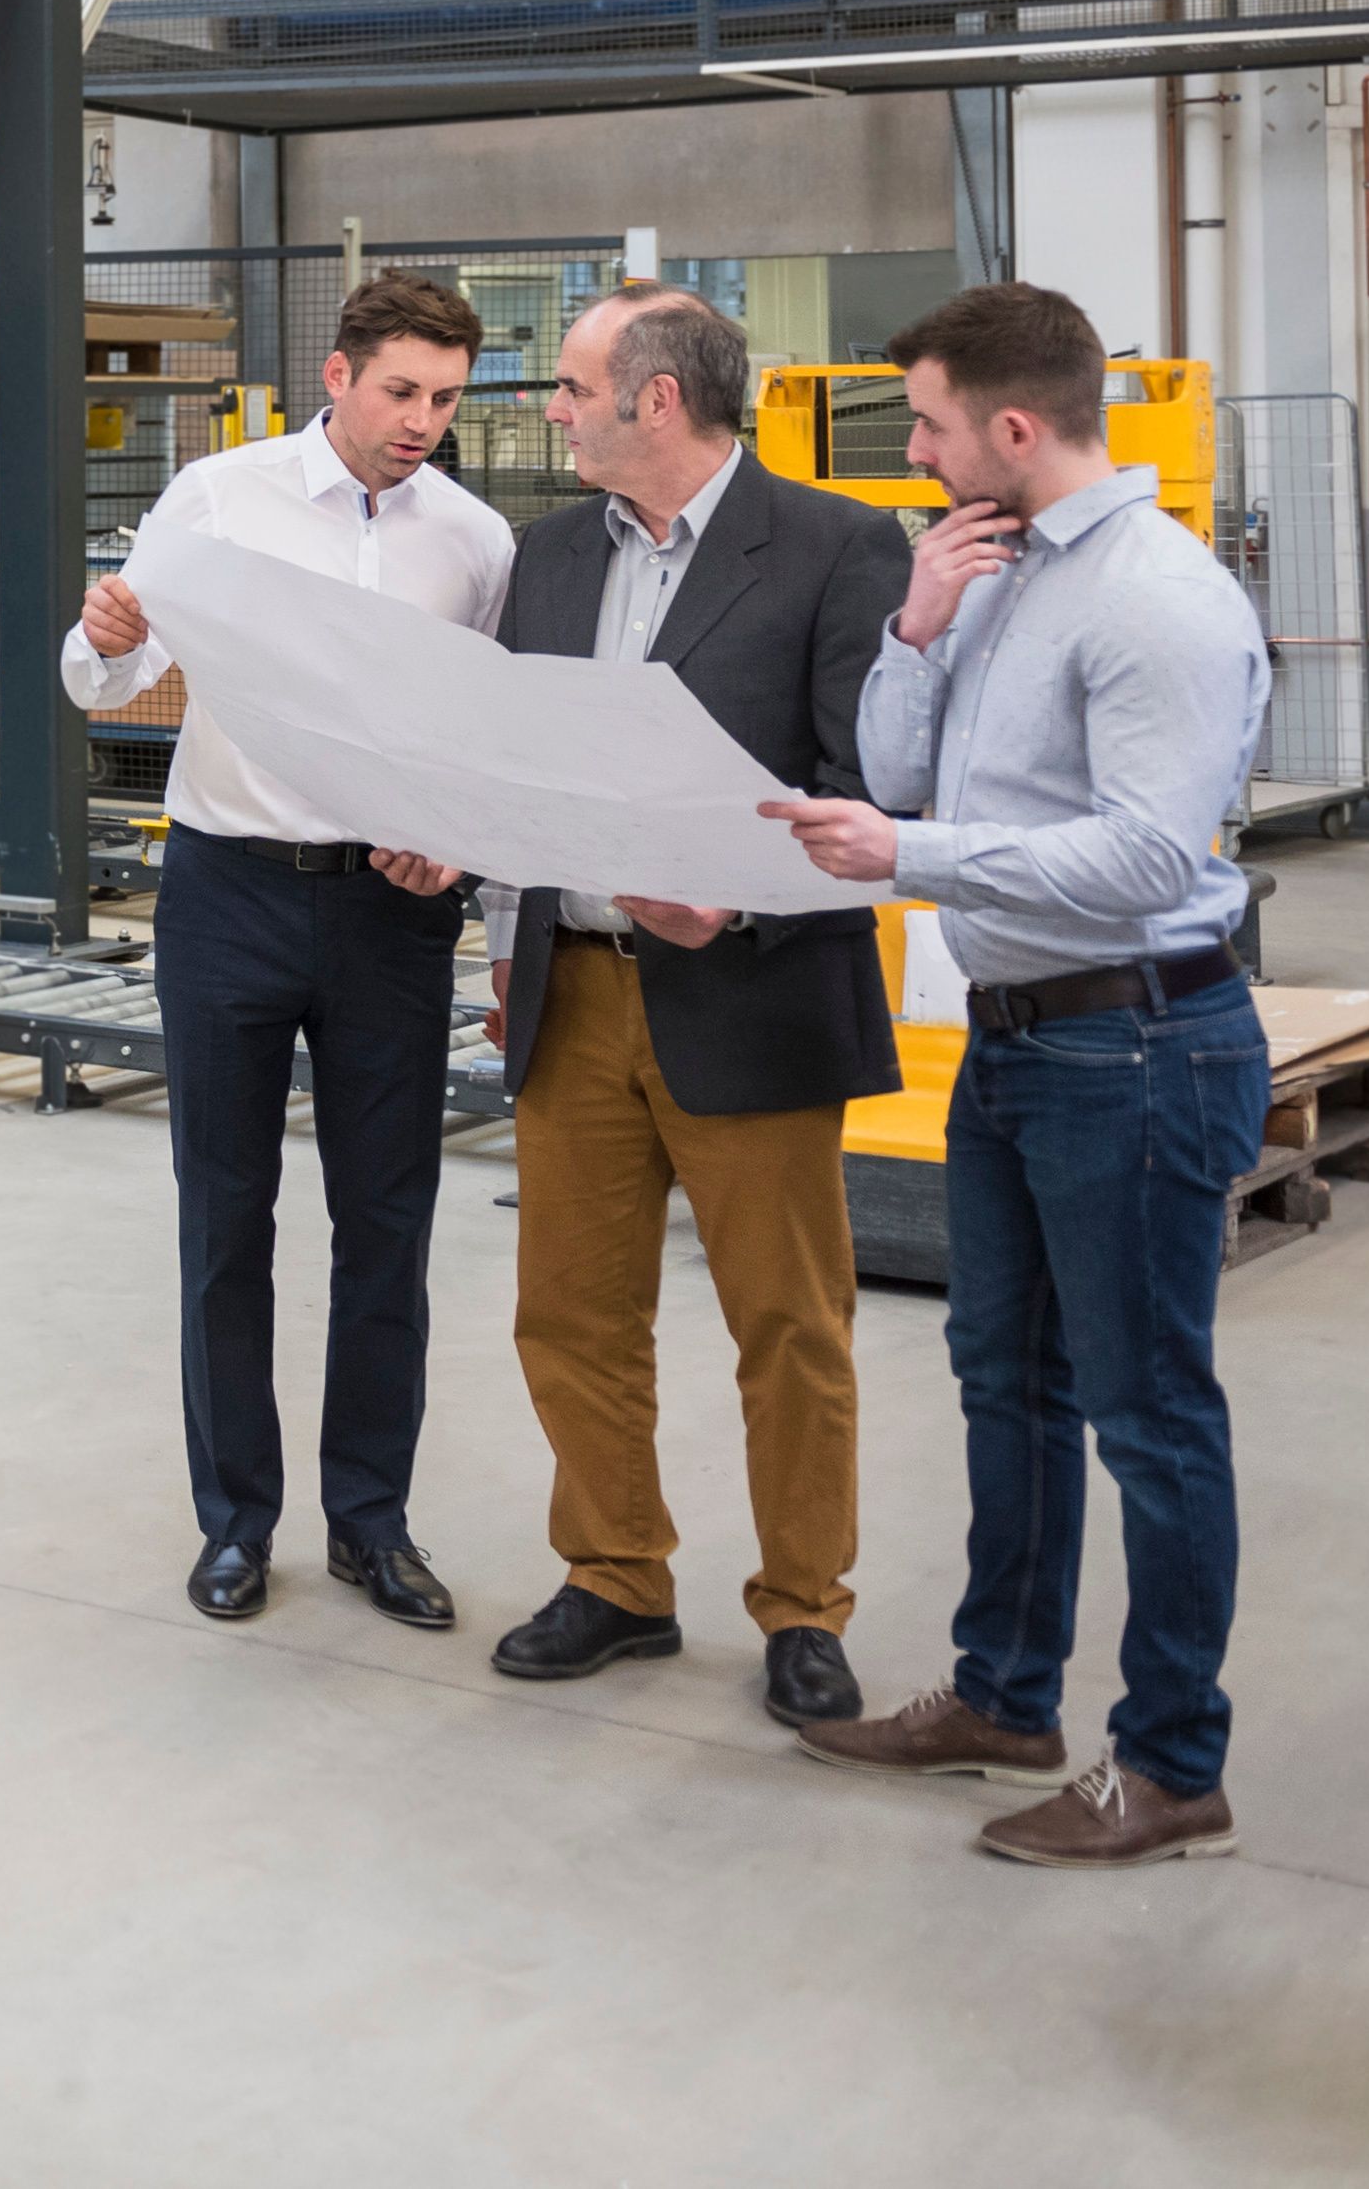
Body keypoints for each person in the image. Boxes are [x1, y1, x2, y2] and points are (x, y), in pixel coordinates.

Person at [763, 281, 1272, 1873]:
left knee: (1148, 1412)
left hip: (1138, 1042)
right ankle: (1004, 1696)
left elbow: (1142, 860)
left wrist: (906, 860)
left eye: (923, 424)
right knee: (1009, 1378)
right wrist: (916, 626)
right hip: (1020, 1036)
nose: (910, 451)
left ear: (1013, 426)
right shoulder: (994, 569)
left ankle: (1173, 1765)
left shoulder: (1156, 600)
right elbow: (901, 765)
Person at [472, 285, 907, 1727]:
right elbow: (521, 768)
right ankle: (615, 1576)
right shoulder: (547, 560)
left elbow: (866, 783)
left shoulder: (837, 546)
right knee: (570, 1312)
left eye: (572, 386)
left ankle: (805, 1607)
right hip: (575, 987)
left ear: (657, 399)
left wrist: (732, 901)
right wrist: (503, 930)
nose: (553, 409)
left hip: (754, 987)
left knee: (789, 1324)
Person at [67, 270, 513, 1630]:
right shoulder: (219, 496)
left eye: (445, 398)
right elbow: (108, 678)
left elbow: (479, 735)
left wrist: (457, 847)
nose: (421, 421)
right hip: (229, 896)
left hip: (390, 913)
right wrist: (99, 636)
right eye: (400, 391)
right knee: (225, 1216)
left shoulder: (475, 544)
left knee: (389, 1225)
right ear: (338, 375)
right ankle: (236, 1523)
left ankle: (373, 1524)